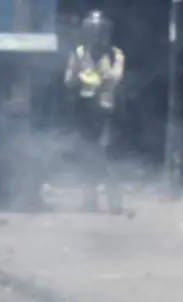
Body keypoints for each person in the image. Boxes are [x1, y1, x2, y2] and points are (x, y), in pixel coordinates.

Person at [63, 9, 124, 213]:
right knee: (87, 156)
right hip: (85, 111)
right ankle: (89, 201)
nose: (97, 35)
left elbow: (114, 78)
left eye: (101, 30)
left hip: (107, 112)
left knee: (108, 156)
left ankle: (114, 203)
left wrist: (88, 80)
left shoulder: (116, 54)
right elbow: (69, 79)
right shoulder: (79, 53)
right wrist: (85, 81)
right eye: (93, 30)